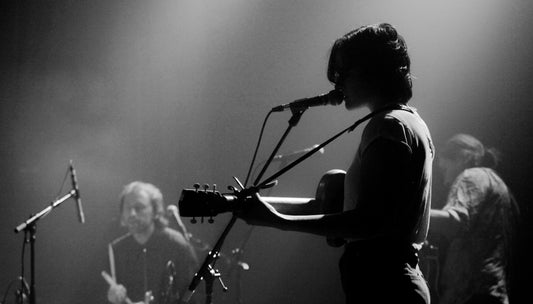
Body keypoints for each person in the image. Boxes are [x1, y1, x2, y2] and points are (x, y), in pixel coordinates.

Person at [238, 23, 433, 304]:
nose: (337, 84)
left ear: (372, 70)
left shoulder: (388, 126)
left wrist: (278, 221)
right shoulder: (404, 121)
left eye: (344, 73)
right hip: (387, 283)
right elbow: (339, 209)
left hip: (386, 287)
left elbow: (366, 221)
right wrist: (250, 205)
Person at [429, 134, 519, 304]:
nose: (445, 179)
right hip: (493, 293)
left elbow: (454, 222)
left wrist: (410, 217)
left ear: (462, 158)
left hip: (471, 295)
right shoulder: (499, 186)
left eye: (445, 168)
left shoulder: (470, 176)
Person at [104, 181, 198, 304]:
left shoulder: (177, 245)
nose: (132, 214)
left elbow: (194, 296)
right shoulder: (117, 250)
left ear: (155, 210)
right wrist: (112, 299)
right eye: (128, 208)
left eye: (139, 207)